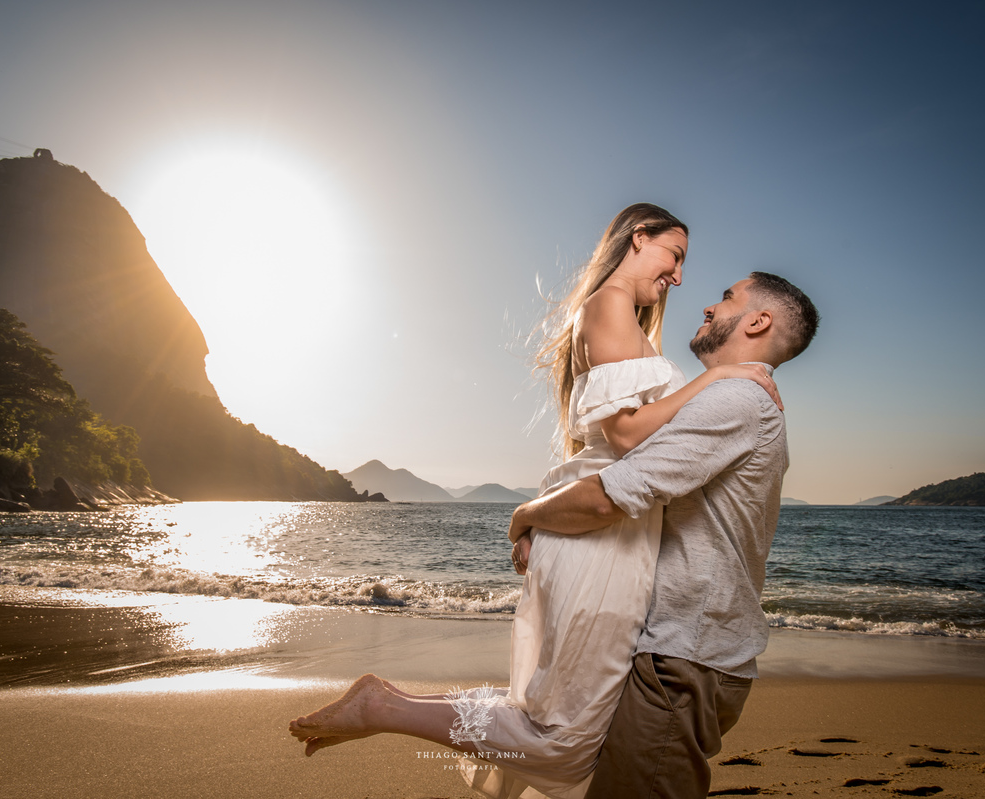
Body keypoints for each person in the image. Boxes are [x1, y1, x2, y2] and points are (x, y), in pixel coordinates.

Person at [288, 204, 778, 798]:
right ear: (638, 238)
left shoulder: (621, 315)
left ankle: (388, 702)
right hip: (604, 538)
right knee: (563, 739)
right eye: (674, 255)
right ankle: (382, 708)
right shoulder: (611, 303)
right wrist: (717, 379)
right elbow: (625, 435)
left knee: (563, 724)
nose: (678, 276)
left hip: (616, 539)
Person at [508, 271, 820, 798]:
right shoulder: (724, 395)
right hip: (677, 654)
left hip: (683, 661)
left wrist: (525, 515)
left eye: (728, 298)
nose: (709, 307)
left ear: (759, 321)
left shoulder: (738, 401)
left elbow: (613, 494)